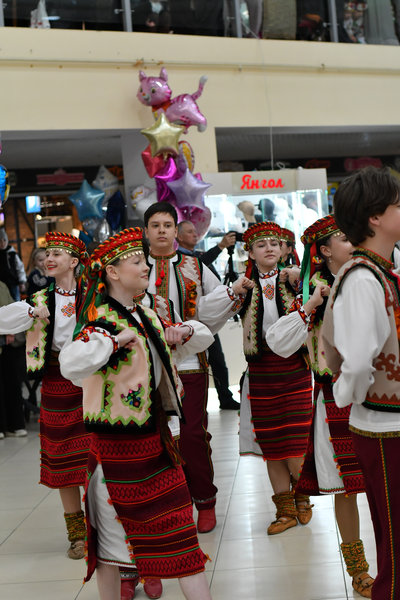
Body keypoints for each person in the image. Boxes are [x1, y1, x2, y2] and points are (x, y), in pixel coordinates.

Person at [60, 227, 213, 600]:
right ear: (112, 272)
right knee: (110, 552)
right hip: (114, 455)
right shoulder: (99, 321)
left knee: (183, 541)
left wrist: (181, 332)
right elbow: (70, 364)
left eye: (145, 260)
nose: (146, 267)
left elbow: (202, 335)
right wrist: (113, 341)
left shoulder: (147, 314)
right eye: (136, 262)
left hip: (157, 446)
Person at [267, 215, 374, 598]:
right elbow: (278, 342)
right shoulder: (314, 294)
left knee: (385, 483)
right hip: (335, 400)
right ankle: (358, 569)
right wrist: (311, 304)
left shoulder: (371, 280)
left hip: (380, 396)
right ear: (324, 250)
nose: (353, 242)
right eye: (343, 238)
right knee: (347, 487)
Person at [144, 201, 252, 534]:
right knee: (153, 437)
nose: (162, 231)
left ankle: (205, 501)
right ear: (146, 231)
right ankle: (167, 507)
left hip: (189, 361)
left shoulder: (194, 265)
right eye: (155, 225)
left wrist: (231, 294)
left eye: (167, 225)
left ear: (176, 230)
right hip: (145, 364)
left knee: (192, 435)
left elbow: (212, 306)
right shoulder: (132, 264)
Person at [321, 166, 400, 600]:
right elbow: (354, 360)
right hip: (384, 426)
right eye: (397, 205)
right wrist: (348, 398)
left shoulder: (380, 271)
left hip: (390, 422)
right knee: (396, 540)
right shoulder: (363, 278)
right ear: (375, 217)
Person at [0, 231, 91, 559]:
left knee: (94, 460)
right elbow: (4, 319)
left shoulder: (94, 295)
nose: (49, 259)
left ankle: (102, 529)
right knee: (63, 462)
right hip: (55, 383)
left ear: (74, 261)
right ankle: (77, 535)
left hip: (92, 385)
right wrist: (30, 314)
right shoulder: (39, 299)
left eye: (57, 254)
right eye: (47, 254)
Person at [238, 221, 313, 535]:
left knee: (295, 442)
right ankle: (284, 510)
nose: (269, 248)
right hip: (261, 371)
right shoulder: (243, 285)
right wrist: (234, 290)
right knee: (272, 445)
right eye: (261, 245)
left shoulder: (296, 279)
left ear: (283, 249)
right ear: (251, 253)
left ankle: (303, 494)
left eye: (274, 243)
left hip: (294, 367)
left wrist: (300, 277)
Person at [177, 220, 239, 410]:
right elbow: (200, 265)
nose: (195, 234)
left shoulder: (196, 255)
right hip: (190, 318)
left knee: (217, 359)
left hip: (206, 317)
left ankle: (225, 397)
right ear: (178, 236)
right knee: (196, 362)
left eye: (195, 231)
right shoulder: (181, 260)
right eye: (189, 231)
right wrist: (220, 247)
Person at [0, 228, 27, 300]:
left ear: (7, 240)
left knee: (16, 300)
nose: (2, 243)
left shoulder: (12, 254)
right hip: (1, 284)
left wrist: (22, 281)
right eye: (0, 241)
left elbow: (20, 267)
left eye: (4, 240)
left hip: (13, 282)